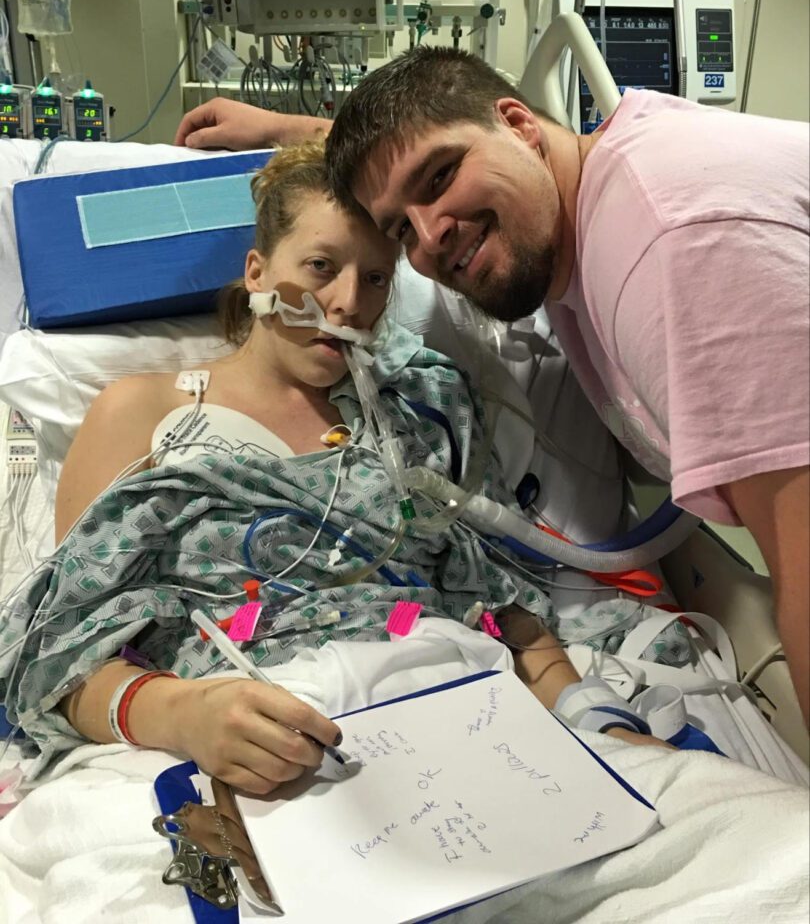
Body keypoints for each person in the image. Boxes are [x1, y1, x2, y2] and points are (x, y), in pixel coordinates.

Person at [1, 143, 674, 800]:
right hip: (267, 733)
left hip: (456, 700)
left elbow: (497, 599)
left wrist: (591, 715)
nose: (350, 301)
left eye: (376, 278)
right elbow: (63, 652)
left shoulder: (417, 410)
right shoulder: (141, 411)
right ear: (258, 272)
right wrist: (183, 714)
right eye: (321, 266)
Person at [175, 53, 810, 727]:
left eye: (440, 177)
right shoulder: (594, 198)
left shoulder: (674, 250)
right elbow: (426, 151)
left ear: (519, 122)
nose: (431, 235)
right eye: (400, 229)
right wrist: (285, 129)